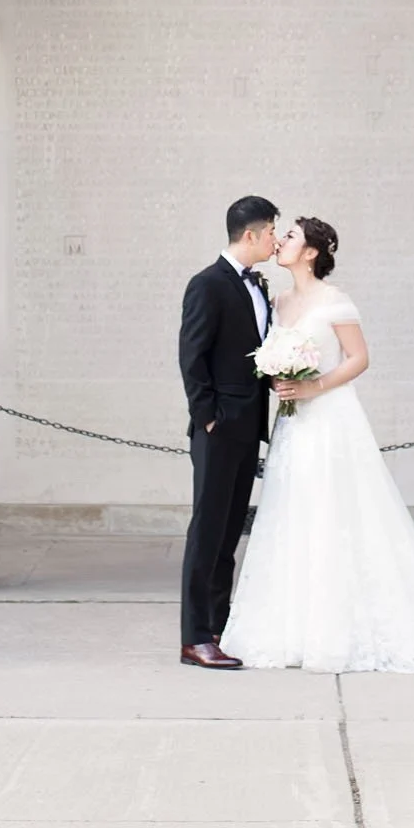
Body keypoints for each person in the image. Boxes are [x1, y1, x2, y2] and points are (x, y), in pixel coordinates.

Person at [221, 216, 414, 673]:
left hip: (331, 420)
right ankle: (294, 626)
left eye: (291, 236)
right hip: (293, 425)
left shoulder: (334, 301)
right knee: (294, 512)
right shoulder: (276, 302)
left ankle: (340, 627)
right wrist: (279, 376)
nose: (281, 241)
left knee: (336, 512)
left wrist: (314, 387)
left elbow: (359, 358)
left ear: (312, 252)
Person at [176, 194, 277, 669]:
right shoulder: (208, 284)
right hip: (218, 429)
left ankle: (218, 624)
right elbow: (191, 356)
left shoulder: (257, 285)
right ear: (252, 235)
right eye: (272, 231)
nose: (276, 239)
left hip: (247, 428)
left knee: (229, 532)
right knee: (207, 531)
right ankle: (195, 637)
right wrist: (207, 416)